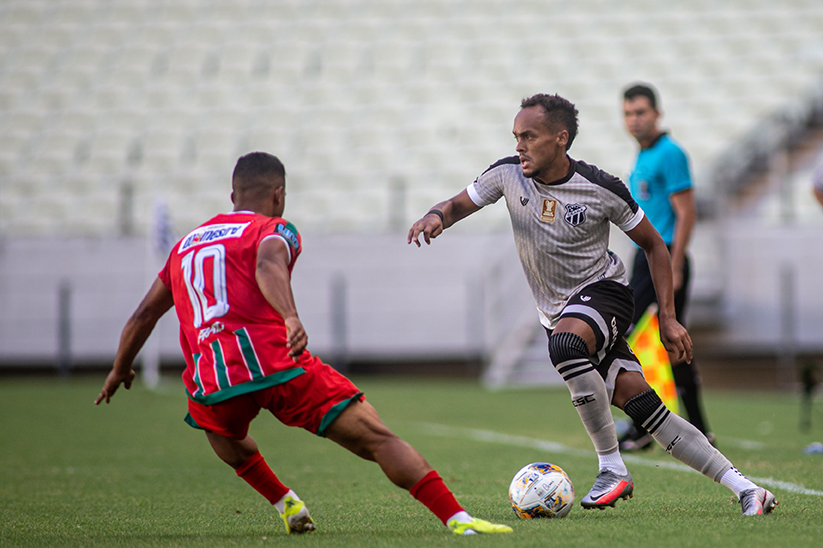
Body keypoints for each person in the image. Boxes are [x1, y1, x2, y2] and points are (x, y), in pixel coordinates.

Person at [95, 152, 512, 536]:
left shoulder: (183, 247)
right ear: (278, 195)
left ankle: (284, 502)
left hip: (215, 380)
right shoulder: (273, 228)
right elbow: (268, 262)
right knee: (378, 439)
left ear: (232, 196)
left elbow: (143, 314)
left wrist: (119, 367)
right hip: (279, 365)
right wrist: (290, 315)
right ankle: (458, 521)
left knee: (220, 433)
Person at [408, 94, 777, 516]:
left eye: (529, 136)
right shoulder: (507, 175)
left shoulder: (601, 188)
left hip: (605, 293)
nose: (519, 146)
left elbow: (655, 245)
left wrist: (669, 320)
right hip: (558, 313)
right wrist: (436, 215)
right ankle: (747, 489)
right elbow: (456, 204)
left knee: (565, 346)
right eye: (515, 137)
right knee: (646, 408)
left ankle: (611, 468)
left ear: (560, 138)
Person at [619, 83, 713, 451]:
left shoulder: (670, 153)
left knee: (634, 337)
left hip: (664, 256)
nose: (634, 120)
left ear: (657, 113)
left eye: (641, 112)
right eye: (628, 113)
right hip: (642, 257)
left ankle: (647, 426)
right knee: (660, 341)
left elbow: (686, 212)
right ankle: (683, 429)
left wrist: (674, 266)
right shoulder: (644, 155)